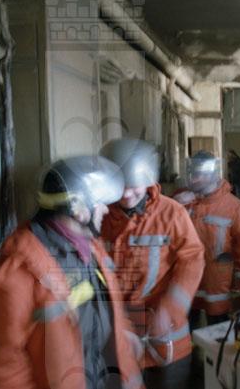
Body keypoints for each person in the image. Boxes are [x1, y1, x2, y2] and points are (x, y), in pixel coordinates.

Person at [0, 155, 145, 389]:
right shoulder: (18, 272)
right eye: (100, 203)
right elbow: (1, 370)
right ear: (78, 211)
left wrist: (123, 335)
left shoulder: (90, 248)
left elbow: (108, 306)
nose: (106, 209)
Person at [99, 138, 204, 389]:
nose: (126, 194)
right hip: (119, 343)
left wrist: (171, 308)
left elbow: (192, 259)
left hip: (167, 343)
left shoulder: (172, 214)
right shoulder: (100, 217)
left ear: (147, 180)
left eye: (133, 186)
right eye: (120, 186)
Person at [173, 151, 240, 325]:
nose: (193, 179)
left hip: (216, 285)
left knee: (217, 333)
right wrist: (175, 204)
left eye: (198, 174)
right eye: (192, 174)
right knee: (186, 331)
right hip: (186, 283)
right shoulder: (182, 201)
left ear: (212, 174)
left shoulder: (232, 206)